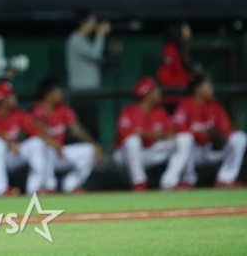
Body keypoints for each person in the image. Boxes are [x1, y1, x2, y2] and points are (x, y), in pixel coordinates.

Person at [113, 77, 193, 191]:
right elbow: (124, 134)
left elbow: (171, 129)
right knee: (132, 141)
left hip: (151, 151)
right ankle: (139, 182)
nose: (158, 93)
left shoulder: (159, 111)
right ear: (147, 94)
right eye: (155, 90)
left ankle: (169, 181)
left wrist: (167, 134)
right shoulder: (128, 111)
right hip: (126, 155)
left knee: (185, 139)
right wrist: (152, 134)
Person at [173, 73, 247, 188]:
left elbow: (227, 127)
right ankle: (187, 179)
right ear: (198, 89)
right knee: (184, 140)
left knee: (240, 138)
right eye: (207, 86)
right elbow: (177, 128)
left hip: (212, 149)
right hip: (194, 152)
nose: (211, 89)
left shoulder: (215, 105)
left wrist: (221, 135)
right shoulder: (186, 104)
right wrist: (200, 134)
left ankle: (225, 179)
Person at [30, 78, 102, 194]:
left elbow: (77, 129)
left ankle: (71, 184)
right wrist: (53, 142)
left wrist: (94, 144)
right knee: (46, 145)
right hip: (44, 156)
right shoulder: (37, 108)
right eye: (57, 91)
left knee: (91, 151)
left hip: (60, 152)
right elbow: (38, 130)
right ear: (49, 93)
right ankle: (49, 186)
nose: (60, 93)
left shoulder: (63, 109)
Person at [0, 81, 47, 196]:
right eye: (10, 95)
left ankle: (35, 187)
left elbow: (33, 131)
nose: (14, 98)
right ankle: (0, 189)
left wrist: (45, 135)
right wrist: (9, 142)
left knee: (37, 143)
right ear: (1, 99)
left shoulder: (18, 113)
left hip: (13, 154)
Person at [65, 10, 115, 141]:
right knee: (83, 131)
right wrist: (100, 35)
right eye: (92, 22)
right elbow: (95, 54)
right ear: (83, 23)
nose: (95, 25)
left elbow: (98, 61)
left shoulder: (86, 41)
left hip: (91, 93)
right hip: (81, 94)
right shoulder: (75, 39)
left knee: (93, 129)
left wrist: (110, 53)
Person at [156, 22, 200, 112]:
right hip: (172, 98)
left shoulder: (182, 48)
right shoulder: (170, 48)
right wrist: (180, 85)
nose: (189, 32)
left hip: (183, 96)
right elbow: (164, 75)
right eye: (186, 29)